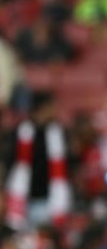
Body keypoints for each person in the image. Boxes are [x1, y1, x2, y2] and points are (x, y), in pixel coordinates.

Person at [4, 90, 72, 230]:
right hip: (24, 199)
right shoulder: (20, 132)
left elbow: (66, 166)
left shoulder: (59, 133)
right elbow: (10, 164)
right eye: (51, 107)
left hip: (50, 200)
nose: (54, 111)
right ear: (42, 108)